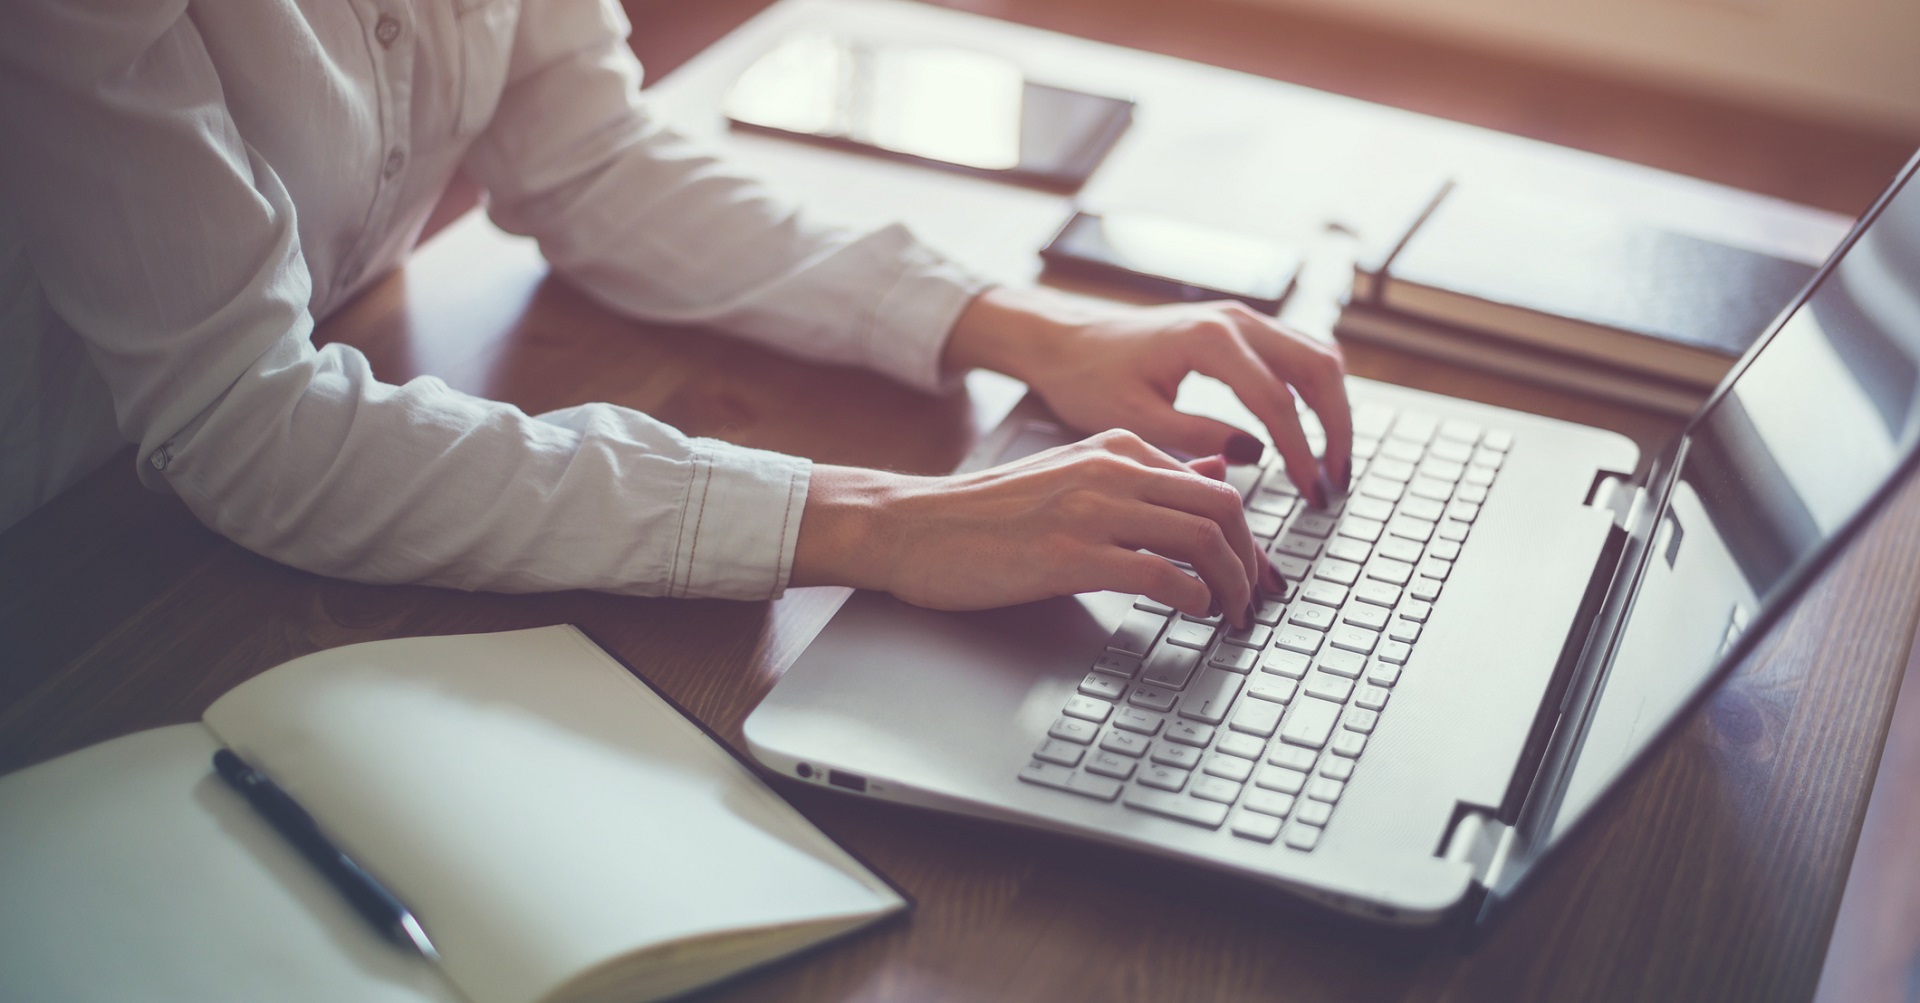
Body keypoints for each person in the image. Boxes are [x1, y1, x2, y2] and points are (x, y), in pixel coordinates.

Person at [0, 0, 1350, 632]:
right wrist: (875, 521)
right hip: (67, 574)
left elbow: (588, 157)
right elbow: (251, 423)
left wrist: (1018, 327)